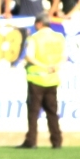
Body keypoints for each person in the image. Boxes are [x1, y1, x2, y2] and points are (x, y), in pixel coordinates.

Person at [19, 15, 66, 149]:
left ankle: (31, 141)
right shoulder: (59, 37)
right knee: (52, 112)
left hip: (36, 78)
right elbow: (64, 57)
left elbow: (29, 56)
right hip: (52, 79)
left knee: (33, 113)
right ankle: (57, 141)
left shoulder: (35, 38)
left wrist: (44, 66)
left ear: (39, 24)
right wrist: (55, 66)